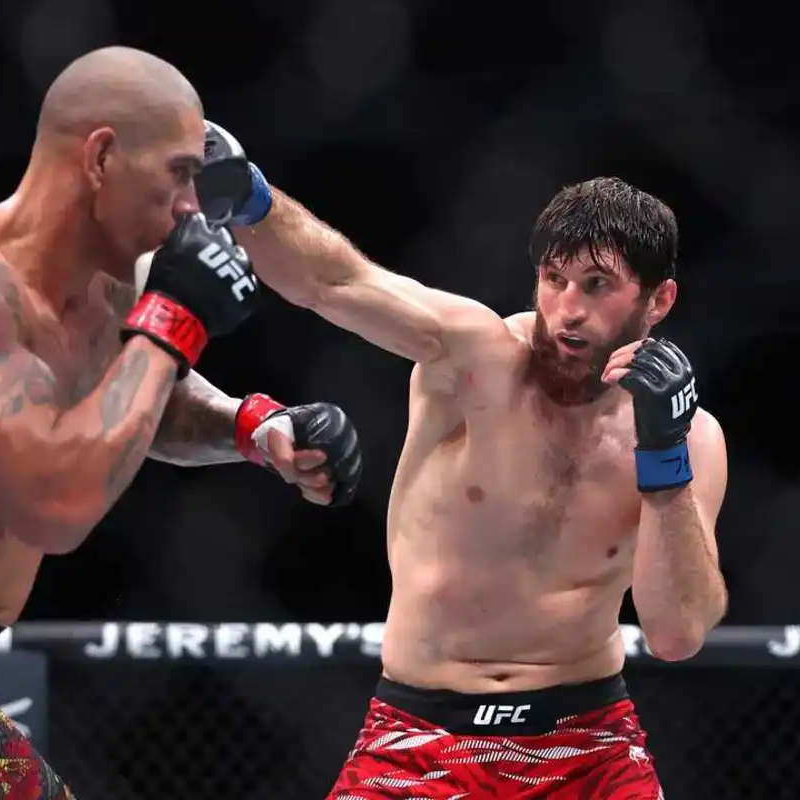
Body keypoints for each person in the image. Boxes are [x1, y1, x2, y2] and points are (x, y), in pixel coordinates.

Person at [0, 49, 362, 799]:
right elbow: (50, 505)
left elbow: (142, 400)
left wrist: (250, 427)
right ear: (101, 157)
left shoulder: (110, 291)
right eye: (176, 175)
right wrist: (174, 320)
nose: (191, 210)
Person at [196, 123, 728, 798]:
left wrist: (663, 459)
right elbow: (334, 282)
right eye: (554, 279)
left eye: (597, 285)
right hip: (419, 740)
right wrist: (248, 197)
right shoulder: (472, 358)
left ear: (659, 301)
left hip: (589, 746)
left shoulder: (693, 439)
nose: (567, 310)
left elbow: (677, 632)